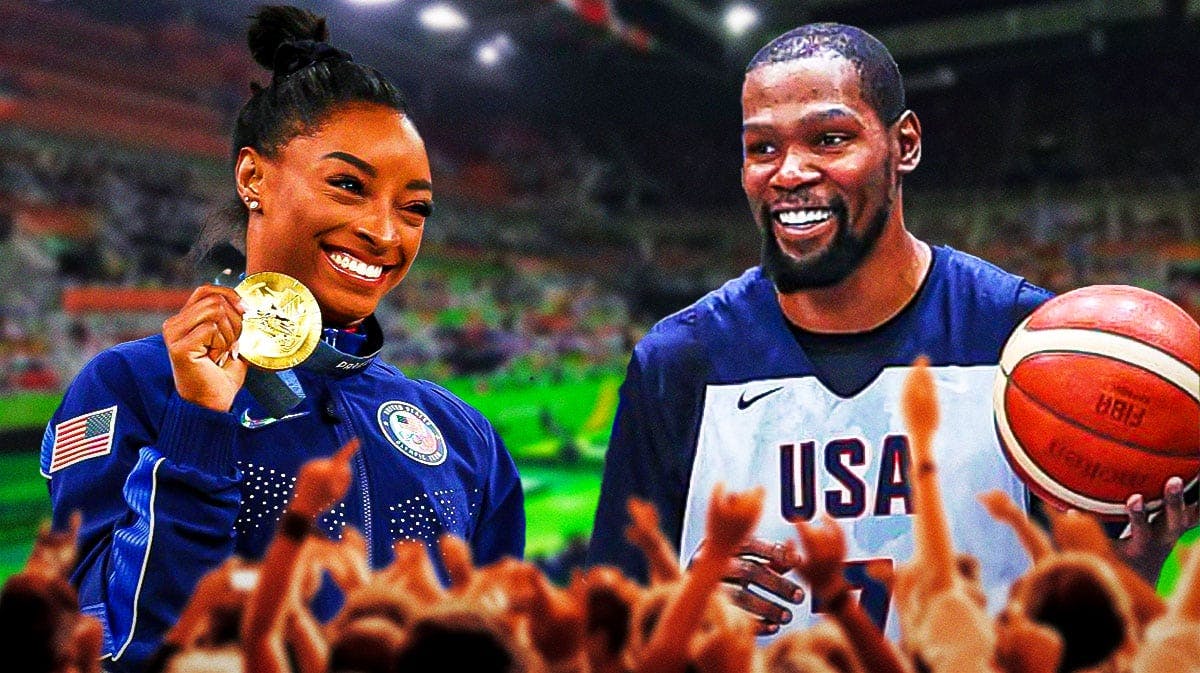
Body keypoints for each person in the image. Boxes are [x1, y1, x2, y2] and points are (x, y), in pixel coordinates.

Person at [587, 22, 1196, 639]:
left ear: (903, 144)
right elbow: (606, 634)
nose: (789, 172)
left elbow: (1084, 634)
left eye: (829, 139)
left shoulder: (1026, 342)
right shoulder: (677, 364)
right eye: (762, 148)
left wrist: (1127, 576)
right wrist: (675, 613)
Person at [39, 7, 524, 671]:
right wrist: (200, 426)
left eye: (414, 208)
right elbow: (109, 647)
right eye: (349, 186)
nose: (385, 233)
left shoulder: (466, 437)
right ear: (252, 178)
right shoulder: (133, 386)